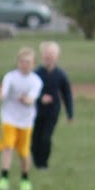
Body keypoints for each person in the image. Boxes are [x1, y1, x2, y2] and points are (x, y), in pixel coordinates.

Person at [0, 47, 42, 190]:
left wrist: (26, 99)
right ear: (17, 63)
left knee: (23, 152)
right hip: (9, 117)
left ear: (34, 64)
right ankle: (4, 178)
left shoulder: (36, 81)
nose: (25, 65)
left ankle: (25, 179)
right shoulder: (10, 76)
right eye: (22, 62)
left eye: (28, 62)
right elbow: (4, 91)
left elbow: (31, 99)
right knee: (8, 146)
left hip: (26, 121)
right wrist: (1, 95)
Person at [30, 41, 74, 170]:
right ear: (42, 56)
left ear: (57, 56)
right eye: (46, 54)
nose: (49, 57)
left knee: (46, 137)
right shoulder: (36, 74)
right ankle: (36, 160)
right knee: (35, 138)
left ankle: (43, 164)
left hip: (52, 112)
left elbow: (67, 95)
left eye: (52, 54)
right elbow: (30, 92)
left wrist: (70, 113)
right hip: (36, 112)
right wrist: (40, 97)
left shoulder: (61, 75)